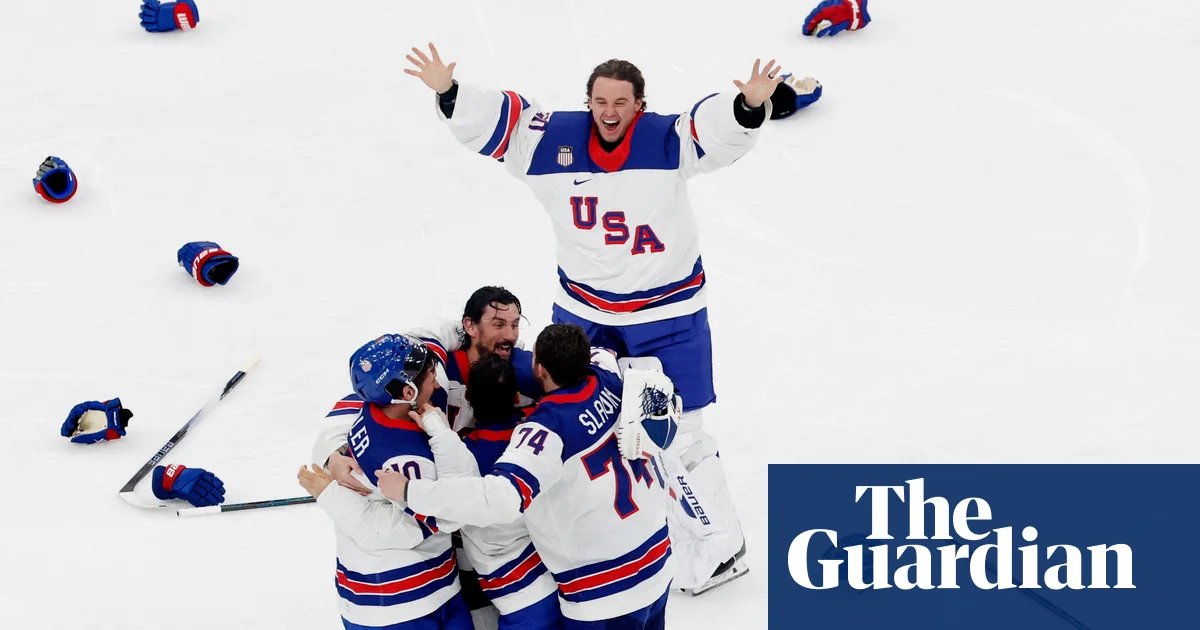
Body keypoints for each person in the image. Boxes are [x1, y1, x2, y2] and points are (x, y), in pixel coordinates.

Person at [403, 44, 794, 593]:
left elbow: (712, 131)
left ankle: (719, 547)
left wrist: (748, 106)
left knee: (678, 432)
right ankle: (622, 526)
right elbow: (504, 122)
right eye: (600, 100)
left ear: (640, 106)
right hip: (586, 313)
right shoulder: (550, 140)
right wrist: (451, 92)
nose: (610, 111)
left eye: (622, 101)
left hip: (668, 313)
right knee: (587, 422)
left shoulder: (665, 138)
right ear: (587, 103)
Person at [373, 324, 675, 628]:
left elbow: (501, 500)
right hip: (658, 560)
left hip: (606, 591)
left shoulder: (547, 429)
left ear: (540, 369)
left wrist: (410, 491)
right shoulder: (608, 374)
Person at [300, 334, 473, 630]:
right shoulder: (406, 460)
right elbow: (453, 508)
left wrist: (331, 459)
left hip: (434, 588)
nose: (437, 383)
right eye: (431, 376)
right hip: (395, 605)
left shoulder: (369, 402)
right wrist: (331, 494)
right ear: (407, 391)